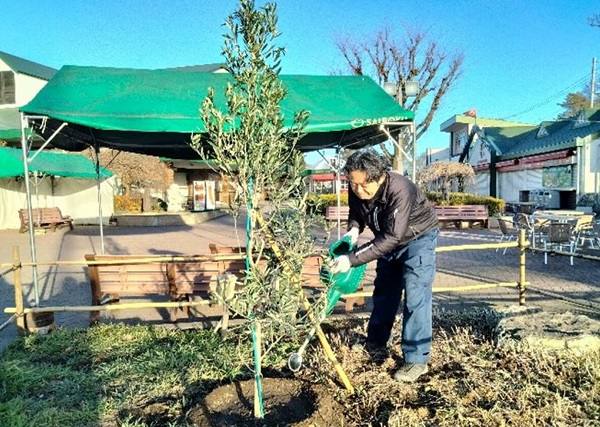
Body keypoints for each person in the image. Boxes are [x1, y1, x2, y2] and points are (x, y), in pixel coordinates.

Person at [330, 149, 439, 383]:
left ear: (379, 176)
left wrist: (350, 258)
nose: (358, 190)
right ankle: (376, 343)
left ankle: (416, 360)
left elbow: (392, 236)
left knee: (415, 295)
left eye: (363, 185)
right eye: (353, 183)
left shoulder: (400, 188)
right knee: (384, 292)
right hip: (387, 239)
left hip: (417, 238)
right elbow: (357, 210)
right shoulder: (357, 185)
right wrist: (353, 229)